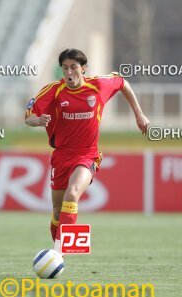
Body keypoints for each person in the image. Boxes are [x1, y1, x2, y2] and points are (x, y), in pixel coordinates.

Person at [24, 48, 149, 254]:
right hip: (61, 155)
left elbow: (122, 82)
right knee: (57, 211)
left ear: (84, 69)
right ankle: (59, 247)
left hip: (87, 154)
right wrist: (37, 121)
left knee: (72, 194)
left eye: (74, 67)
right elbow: (28, 116)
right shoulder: (53, 91)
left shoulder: (98, 86)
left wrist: (139, 114)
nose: (69, 72)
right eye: (65, 68)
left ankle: (58, 253)